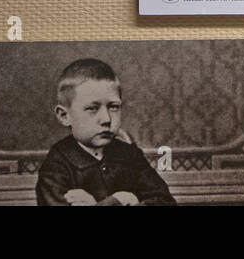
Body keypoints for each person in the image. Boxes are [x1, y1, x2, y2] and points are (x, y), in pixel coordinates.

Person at [35, 58, 175, 206]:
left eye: (113, 107)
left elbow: (166, 202)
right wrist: (122, 200)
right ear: (64, 116)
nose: (106, 119)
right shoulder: (56, 166)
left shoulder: (130, 155)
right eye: (92, 108)